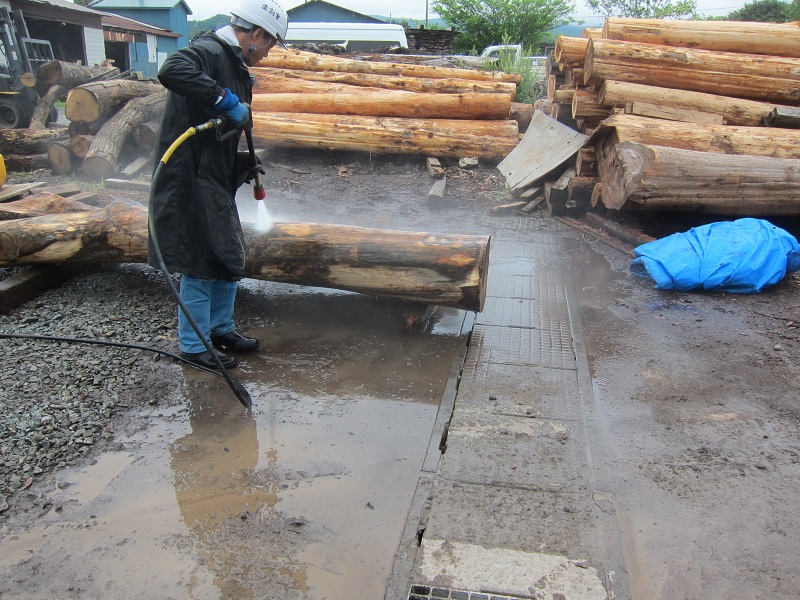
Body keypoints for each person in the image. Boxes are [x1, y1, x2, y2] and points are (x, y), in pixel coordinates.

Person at [148, 0, 288, 371]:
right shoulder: (210, 50)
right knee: (200, 257)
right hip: (188, 171)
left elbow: (225, 127)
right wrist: (223, 99)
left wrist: (240, 163)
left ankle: (220, 329)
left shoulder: (235, 63)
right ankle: (194, 345)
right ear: (256, 34)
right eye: (271, 43)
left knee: (226, 250)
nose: (269, 52)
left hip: (212, 171)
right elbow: (172, 69)